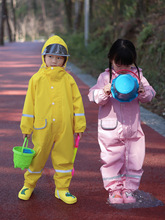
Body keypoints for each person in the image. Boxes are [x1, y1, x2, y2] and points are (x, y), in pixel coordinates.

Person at [18, 35, 86, 204]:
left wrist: (79, 126)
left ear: (64, 60)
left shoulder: (69, 80)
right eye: (50, 57)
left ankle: (62, 189)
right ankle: (29, 184)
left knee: (65, 158)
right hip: (42, 127)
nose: (54, 60)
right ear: (44, 57)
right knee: (37, 157)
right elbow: (29, 105)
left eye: (59, 57)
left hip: (64, 127)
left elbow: (78, 104)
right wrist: (26, 128)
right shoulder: (36, 79)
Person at [88, 39, 156, 204]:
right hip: (110, 128)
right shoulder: (105, 76)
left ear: (133, 60)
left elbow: (150, 93)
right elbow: (93, 96)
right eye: (119, 65)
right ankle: (114, 190)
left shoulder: (138, 76)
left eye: (128, 65)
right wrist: (104, 92)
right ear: (110, 59)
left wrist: (143, 91)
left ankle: (129, 190)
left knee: (135, 158)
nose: (124, 69)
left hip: (132, 127)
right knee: (111, 158)